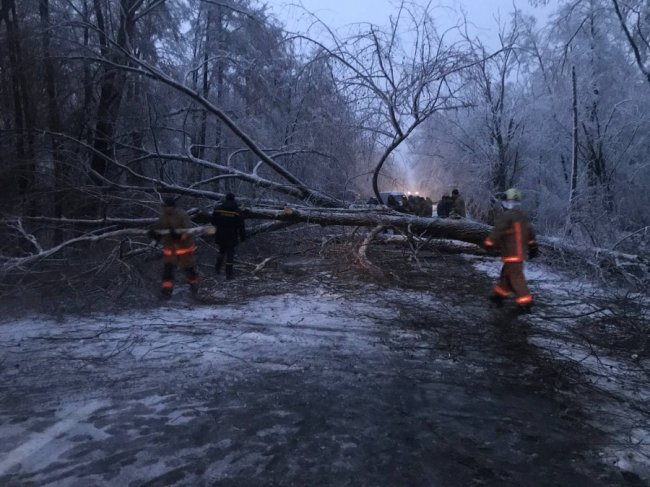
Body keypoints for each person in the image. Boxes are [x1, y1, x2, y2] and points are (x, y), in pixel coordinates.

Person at [483, 188, 539, 313]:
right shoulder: (523, 217)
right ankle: (499, 295)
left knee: (516, 278)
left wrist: (489, 243)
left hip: (511, 254)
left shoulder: (506, 216)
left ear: (507, 201)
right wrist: (533, 246)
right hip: (519, 255)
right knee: (506, 275)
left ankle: (525, 303)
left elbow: (497, 232)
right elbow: (530, 234)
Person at [148, 197, 199, 298]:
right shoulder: (163, 217)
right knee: (168, 271)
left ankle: (195, 287)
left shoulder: (182, 215)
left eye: (167, 207)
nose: (166, 209)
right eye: (164, 207)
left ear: (172, 207)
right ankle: (166, 291)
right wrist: (155, 234)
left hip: (184, 249)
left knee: (189, 270)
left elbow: (188, 231)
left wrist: (179, 236)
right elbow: (159, 228)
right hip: (170, 249)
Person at [211, 193, 246, 279]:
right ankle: (229, 274)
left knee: (221, 251)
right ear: (234, 199)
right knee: (230, 254)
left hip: (220, 234)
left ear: (225, 199)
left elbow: (213, 222)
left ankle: (217, 269)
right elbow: (241, 226)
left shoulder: (218, 209)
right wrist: (243, 237)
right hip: (232, 235)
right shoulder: (237, 211)